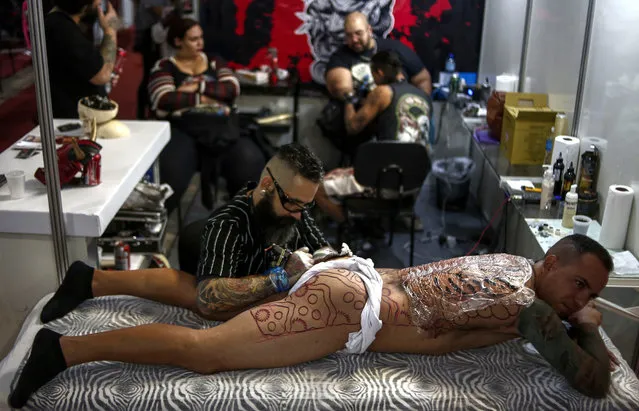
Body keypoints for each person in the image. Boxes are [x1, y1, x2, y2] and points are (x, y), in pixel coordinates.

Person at [9, 235, 616, 408]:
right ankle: (61, 352)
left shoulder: (513, 262)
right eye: (578, 284)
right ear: (552, 262)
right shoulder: (531, 306)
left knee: (202, 296)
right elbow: (592, 380)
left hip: (353, 275)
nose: (578, 297)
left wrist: (575, 311)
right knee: (207, 351)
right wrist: (586, 325)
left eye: (590, 293)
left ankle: (93, 280)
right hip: (348, 307)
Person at [37, 143, 335, 326]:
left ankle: (88, 280)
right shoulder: (229, 224)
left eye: (304, 206)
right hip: (227, 289)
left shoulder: (294, 206)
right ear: (268, 185)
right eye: (294, 204)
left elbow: (320, 246)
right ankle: (88, 283)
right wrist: (280, 278)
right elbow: (207, 300)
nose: (299, 213)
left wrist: (329, 257)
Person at [147, 17, 266, 212]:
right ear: (178, 42)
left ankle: (244, 222)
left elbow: (232, 88)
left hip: (221, 127)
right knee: (172, 172)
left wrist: (196, 86)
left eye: (201, 38)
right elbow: (163, 99)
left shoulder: (213, 61)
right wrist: (204, 99)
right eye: (193, 39)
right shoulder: (165, 66)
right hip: (183, 128)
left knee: (250, 161)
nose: (200, 43)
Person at [315, 50, 432, 223]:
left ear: (379, 73)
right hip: (414, 183)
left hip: (384, 183)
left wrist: (348, 100)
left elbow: (353, 127)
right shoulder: (424, 96)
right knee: (349, 171)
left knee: (317, 188)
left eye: (373, 76)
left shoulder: (383, 92)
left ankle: (349, 234)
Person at [325, 11, 432, 99]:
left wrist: (421, 105)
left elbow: (423, 79)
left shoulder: (395, 49)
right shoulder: (340, 57)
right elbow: (342, 88)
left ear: (369, 30)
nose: (354, 39)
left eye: (359, 33)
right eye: (349, 35)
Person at [44, 0, 119, 118]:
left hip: (81, 114)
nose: (100, 2)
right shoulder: (63, 29)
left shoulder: (63, 22)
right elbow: (102, 75)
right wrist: (110, 29)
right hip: (75, 119)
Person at [134, 0, 175, 119]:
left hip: (155, 33)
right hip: (149, 36)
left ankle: (149, 109)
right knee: (151, 73)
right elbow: (157, 9)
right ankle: (146, 110)